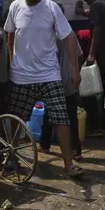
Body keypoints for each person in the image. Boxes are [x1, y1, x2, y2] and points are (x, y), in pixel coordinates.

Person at [4, 0, 83, 179]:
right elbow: (10, 37)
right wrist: (10, 62)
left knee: (61, 119)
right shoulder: (15, 7)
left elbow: (68, 39)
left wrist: (74, 69)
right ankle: (11, 158)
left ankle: (68, 165)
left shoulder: (51, 8)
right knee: (16, 119)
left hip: (49, 74)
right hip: (21, 75)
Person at [77, 0, 105, 135]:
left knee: (90, 89)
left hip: (101, 54)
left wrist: (91, 55)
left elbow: (97, 30)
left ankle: (96, 125)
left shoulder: (95, 6)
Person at [39, 29, 84, 160]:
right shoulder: (70, 33)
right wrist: (76, 72)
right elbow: (80, 55)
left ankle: (44, 144)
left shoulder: (49, 34)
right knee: (71, 117)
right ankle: (75, 151)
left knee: (49, 113)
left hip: (55, 80)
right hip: (69, 80)